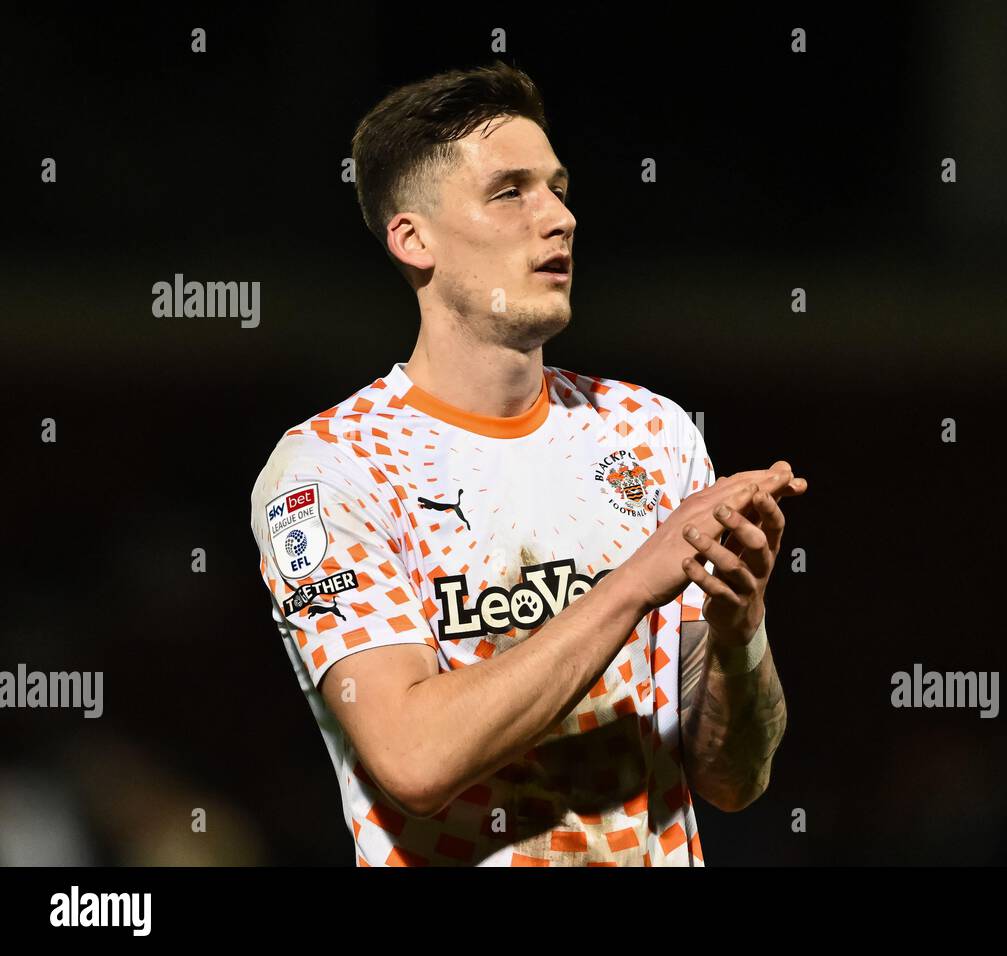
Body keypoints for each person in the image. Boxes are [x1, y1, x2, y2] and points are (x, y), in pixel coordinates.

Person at [249, 61, 807, 866]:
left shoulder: (651, 433)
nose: (559, 217)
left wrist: (738, 632)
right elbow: (415, 758)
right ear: (414, 238)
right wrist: (636, 582)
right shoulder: (329, 469)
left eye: (557, 186)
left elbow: (731, 781)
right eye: (510, 192)